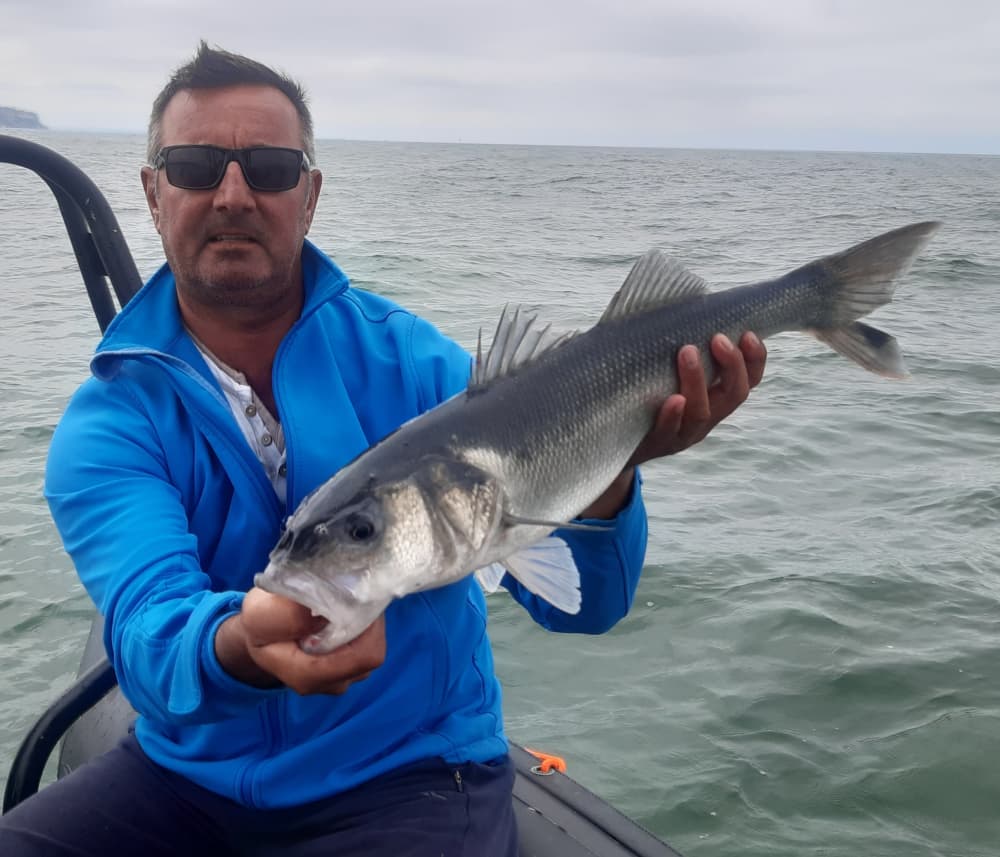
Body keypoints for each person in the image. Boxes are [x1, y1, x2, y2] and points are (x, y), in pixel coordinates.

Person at [0, 43, 766, 856]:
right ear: (153, 192)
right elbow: (149, 635)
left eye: (268, 165)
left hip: (415, 772)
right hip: (191, 778)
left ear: (310, 194)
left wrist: (613, 469)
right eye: (194, 166)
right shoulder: (107, 425)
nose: (232, 193)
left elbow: (583, 605)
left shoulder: (420, 368)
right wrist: (243, 646)